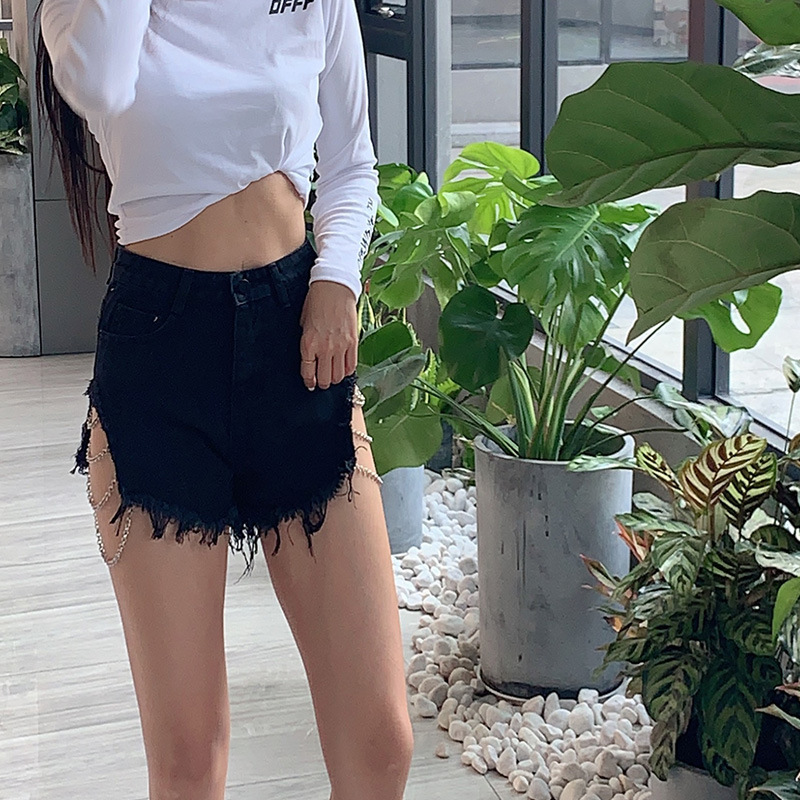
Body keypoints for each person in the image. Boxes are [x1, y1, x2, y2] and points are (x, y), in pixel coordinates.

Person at [34, 0, 414, 797]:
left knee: (381, 742)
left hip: (298, 337)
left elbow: (351, 162)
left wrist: (337, 278)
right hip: (161, 352)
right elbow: (100, 80)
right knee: (188, 760)